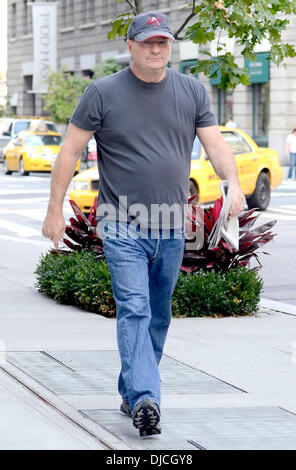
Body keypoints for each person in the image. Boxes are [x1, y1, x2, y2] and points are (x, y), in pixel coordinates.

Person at [42, 11, 245, 437]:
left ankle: (131, 389)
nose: (157, 49)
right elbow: (68, 152)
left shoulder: (191, 90)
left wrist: (234, 183)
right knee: (134, 309)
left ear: (171, 47)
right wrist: (55, 210)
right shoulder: (102, 93)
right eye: (148, 42)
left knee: (158, 316)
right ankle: (147, 400)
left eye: (164, 43)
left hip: (172, 224)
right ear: (131, 46)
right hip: (120, 223)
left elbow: (214, 144)